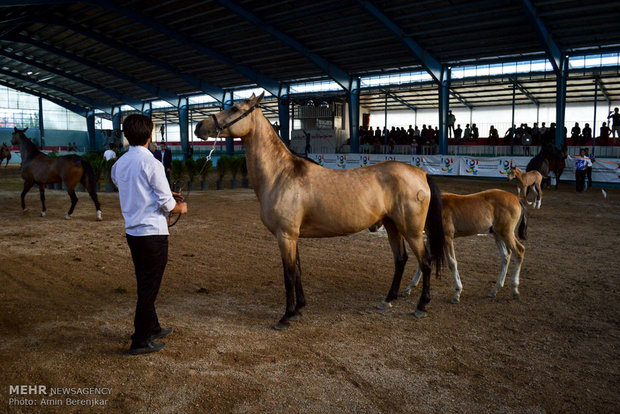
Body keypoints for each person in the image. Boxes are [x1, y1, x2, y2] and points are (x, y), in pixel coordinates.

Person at [111, 114, 187, 355]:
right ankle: (140, 339)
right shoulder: (152, 163)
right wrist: (180, 207)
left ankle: (152, 327)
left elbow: (127, 186)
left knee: (144, 282)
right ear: (149, 135)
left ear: (126, 135)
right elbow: (167, 205)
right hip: (153, 234)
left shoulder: (119, 164)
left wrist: (163, 196)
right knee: (148, 288)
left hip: (133, 233)